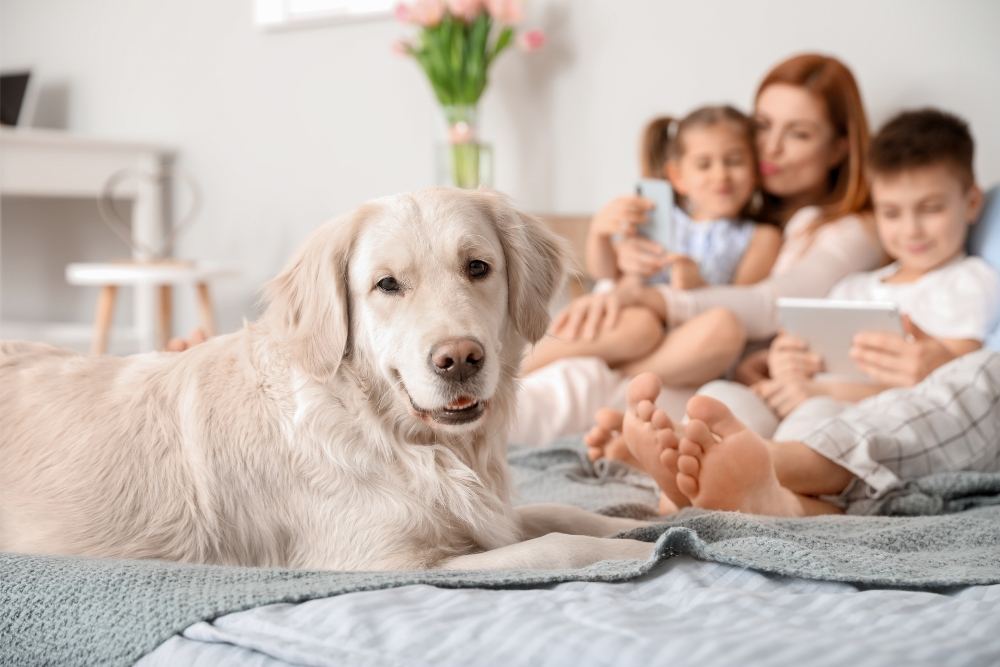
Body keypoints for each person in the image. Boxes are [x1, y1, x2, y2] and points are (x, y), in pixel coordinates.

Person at [596, 108, 999, 515]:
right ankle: (698, 473)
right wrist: (777, 363)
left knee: (820, 417)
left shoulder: (970, 280)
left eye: (930, 209)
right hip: (799, 402)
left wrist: (819, 390)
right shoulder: (854, 286)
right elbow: (799, 349)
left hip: (850, 414)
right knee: (723, 398)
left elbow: (953, 392)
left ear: (970, 203)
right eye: (892, 213)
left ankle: (736, 479)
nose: (911, 229)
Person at [513, 53, 885, 447]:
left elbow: (768, 304)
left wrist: (652, 297)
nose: (771, 149)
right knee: (576, 375)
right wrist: (614, 274)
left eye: (799, 134)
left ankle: (605, 386)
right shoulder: (727, 210)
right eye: (762, 126)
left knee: (594, 382)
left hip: (705, 369)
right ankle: (521, 376)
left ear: (839, 149)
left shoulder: (852, 230)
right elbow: (625, 270)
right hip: (653, 348)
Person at [521, 105, 782, 375]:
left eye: (735, 161)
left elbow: (744, 305)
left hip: (686, 339)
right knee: (639, 326)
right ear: (678, 177)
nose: (721, 175)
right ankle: (520, 368)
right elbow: (606, 272)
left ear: (755, 170)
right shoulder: (657, 216)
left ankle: (621, 376)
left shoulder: (761, 237)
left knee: (720, 327)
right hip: (633, 324)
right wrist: (600, 234)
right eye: (704, 165)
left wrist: (697, 285)